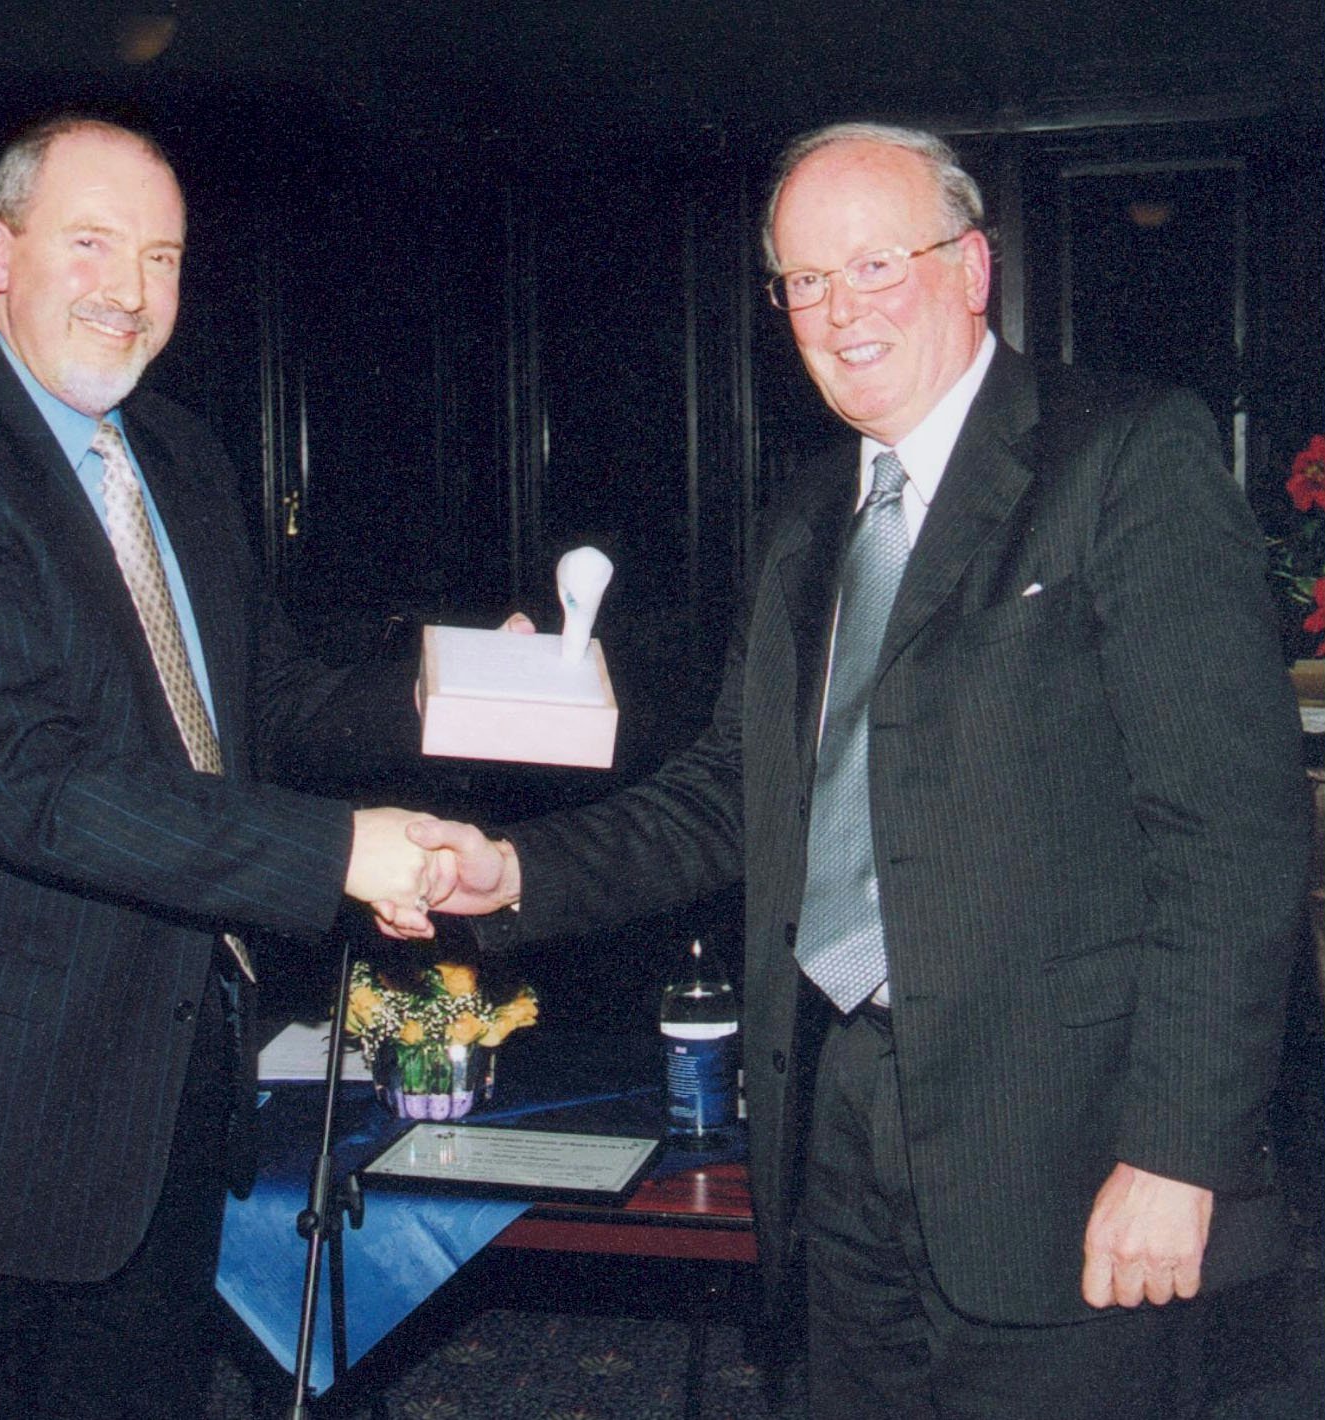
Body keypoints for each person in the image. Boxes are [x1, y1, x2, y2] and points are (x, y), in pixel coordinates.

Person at [407, 122, 1309, 1416]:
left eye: (876, 265)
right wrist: (508, 871)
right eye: (804, 282)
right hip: (827, 1124)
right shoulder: (801, 521)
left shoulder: (1123, 459)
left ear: (970, 267)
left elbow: (1229, 841)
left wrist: (1178, 1155)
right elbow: (733, 791)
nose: (841, 311)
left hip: (1063, 1147)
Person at [0, 114, 458, 1418]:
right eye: (91, 244)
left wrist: (448, 687)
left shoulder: (184, 462)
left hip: (155, 1101)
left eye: (162, 255)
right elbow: (32, 784)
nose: (131, 291)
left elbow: (266, 704)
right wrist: (339, 855)